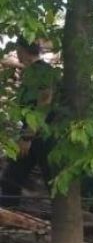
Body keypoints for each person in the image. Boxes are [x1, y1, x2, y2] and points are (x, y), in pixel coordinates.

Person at [2, 37, 60, 207]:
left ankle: (62, 217)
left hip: (44, 134)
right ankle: (8, 214)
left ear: (22, 49)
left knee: (53, 180)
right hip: (31, 132)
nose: (16, 53)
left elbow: (44, 103)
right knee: (11, 177)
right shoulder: (30, 71)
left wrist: (28, 137)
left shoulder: (42, 70)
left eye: (17, 49)